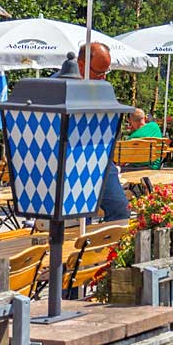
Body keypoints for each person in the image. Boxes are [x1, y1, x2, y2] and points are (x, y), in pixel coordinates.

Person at [77, 44, 130, 222]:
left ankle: (110, 249)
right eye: (99, 73)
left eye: (106, 73)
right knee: (77, 218)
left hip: (100, 159)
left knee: (120, 211)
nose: (103, 78)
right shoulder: (57, 86)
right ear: (81, 65)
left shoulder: (103, 89)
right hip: (67, 162)